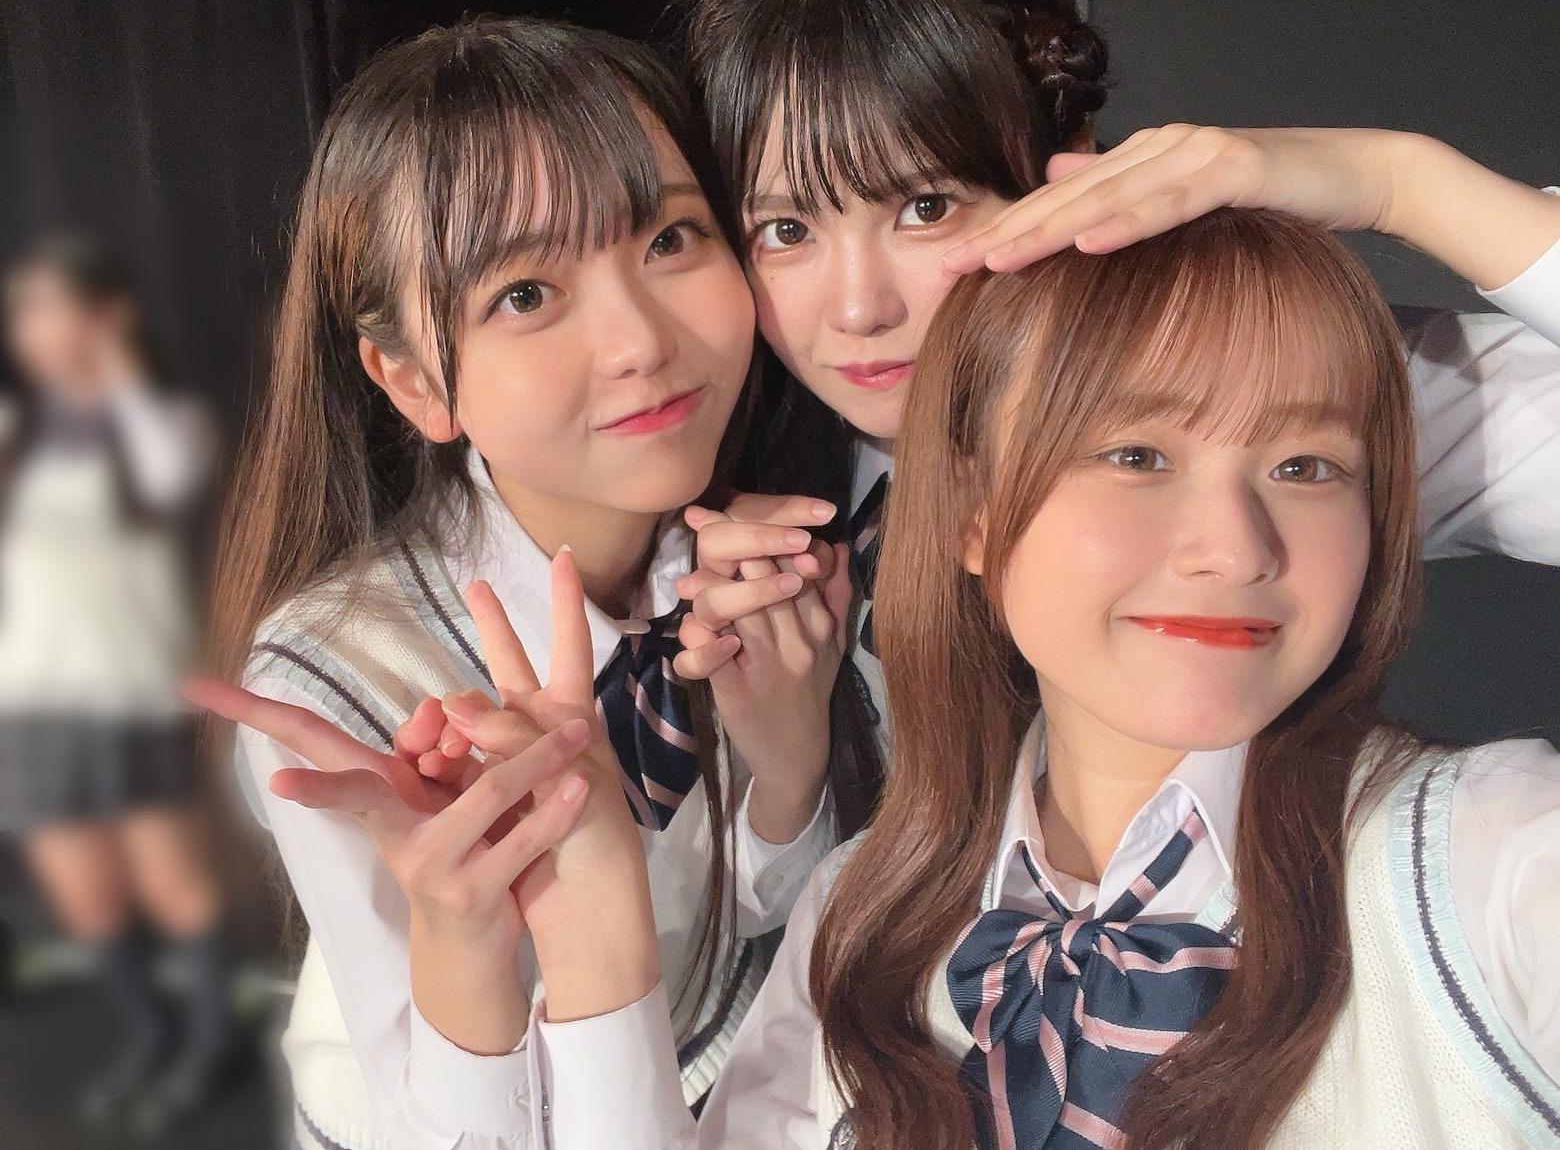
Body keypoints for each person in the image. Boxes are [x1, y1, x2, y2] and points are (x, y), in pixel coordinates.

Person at [515, 207, 1560, 1149]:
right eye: (1137, 455)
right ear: (971, 513)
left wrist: (1397, 181)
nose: (1236, 549)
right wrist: (592, 934)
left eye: (1305, 467)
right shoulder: (864, 914)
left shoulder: (1493, 858)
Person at [188, 17, 852, 1150]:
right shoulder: (340, 678)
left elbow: (751, 927)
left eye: (671, 238)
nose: (640, 340)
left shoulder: (749, 558)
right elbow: (430, 1114)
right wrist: (472, 944)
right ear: (413, 382)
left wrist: (789, 760)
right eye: (527, 295)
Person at [677, 0, 1560, 741]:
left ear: (1071, 176)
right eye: (785, 229)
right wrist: (789, 779)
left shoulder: (1267, 408)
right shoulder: (745, 491)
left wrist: (1403, 182)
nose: (858, 310)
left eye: (927, 208)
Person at [0, 233, 230, 1133]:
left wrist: (117, 367)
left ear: (105, 314)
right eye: (24, 311)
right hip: (30, 702)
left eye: (51, 306)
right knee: (85, 896)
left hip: (131, 694)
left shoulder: (158, 425)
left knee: (174, 885)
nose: (35, 328)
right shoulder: (15, 433)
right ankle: (150, 1035)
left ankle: (207, 1049)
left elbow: (173, 478)